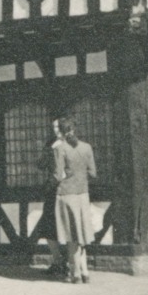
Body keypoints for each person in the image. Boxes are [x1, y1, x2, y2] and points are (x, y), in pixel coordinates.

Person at [51, 118, 96, 284]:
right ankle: (85, 272)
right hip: (83, 194)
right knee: (81, 234)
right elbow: (93, 173)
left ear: (61, 132)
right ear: (74, 130)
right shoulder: (87, 147)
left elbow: (58, 175)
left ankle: (75, 273)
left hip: (66, 195)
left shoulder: (60, 148)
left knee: (71, 236)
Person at [32, 119, 66, 276]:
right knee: (50, 226)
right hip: (58, 191)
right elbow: (40, 164)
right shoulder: (52, 145)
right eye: (53, 127)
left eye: (58, 127)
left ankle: (66, 262)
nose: (55, 130)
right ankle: (59, 261)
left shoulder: (65, 146)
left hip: (61, 190)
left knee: (60, 227)